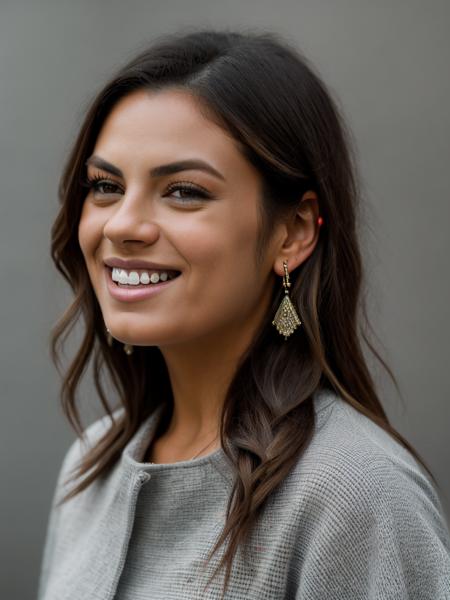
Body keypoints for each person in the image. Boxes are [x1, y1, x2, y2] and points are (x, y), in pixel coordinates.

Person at [37, 28, 450, 600]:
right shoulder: (91, 467)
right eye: (105, 186)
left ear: (293, 231)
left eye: (183, 191)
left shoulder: (356, 492)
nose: (122, 225)